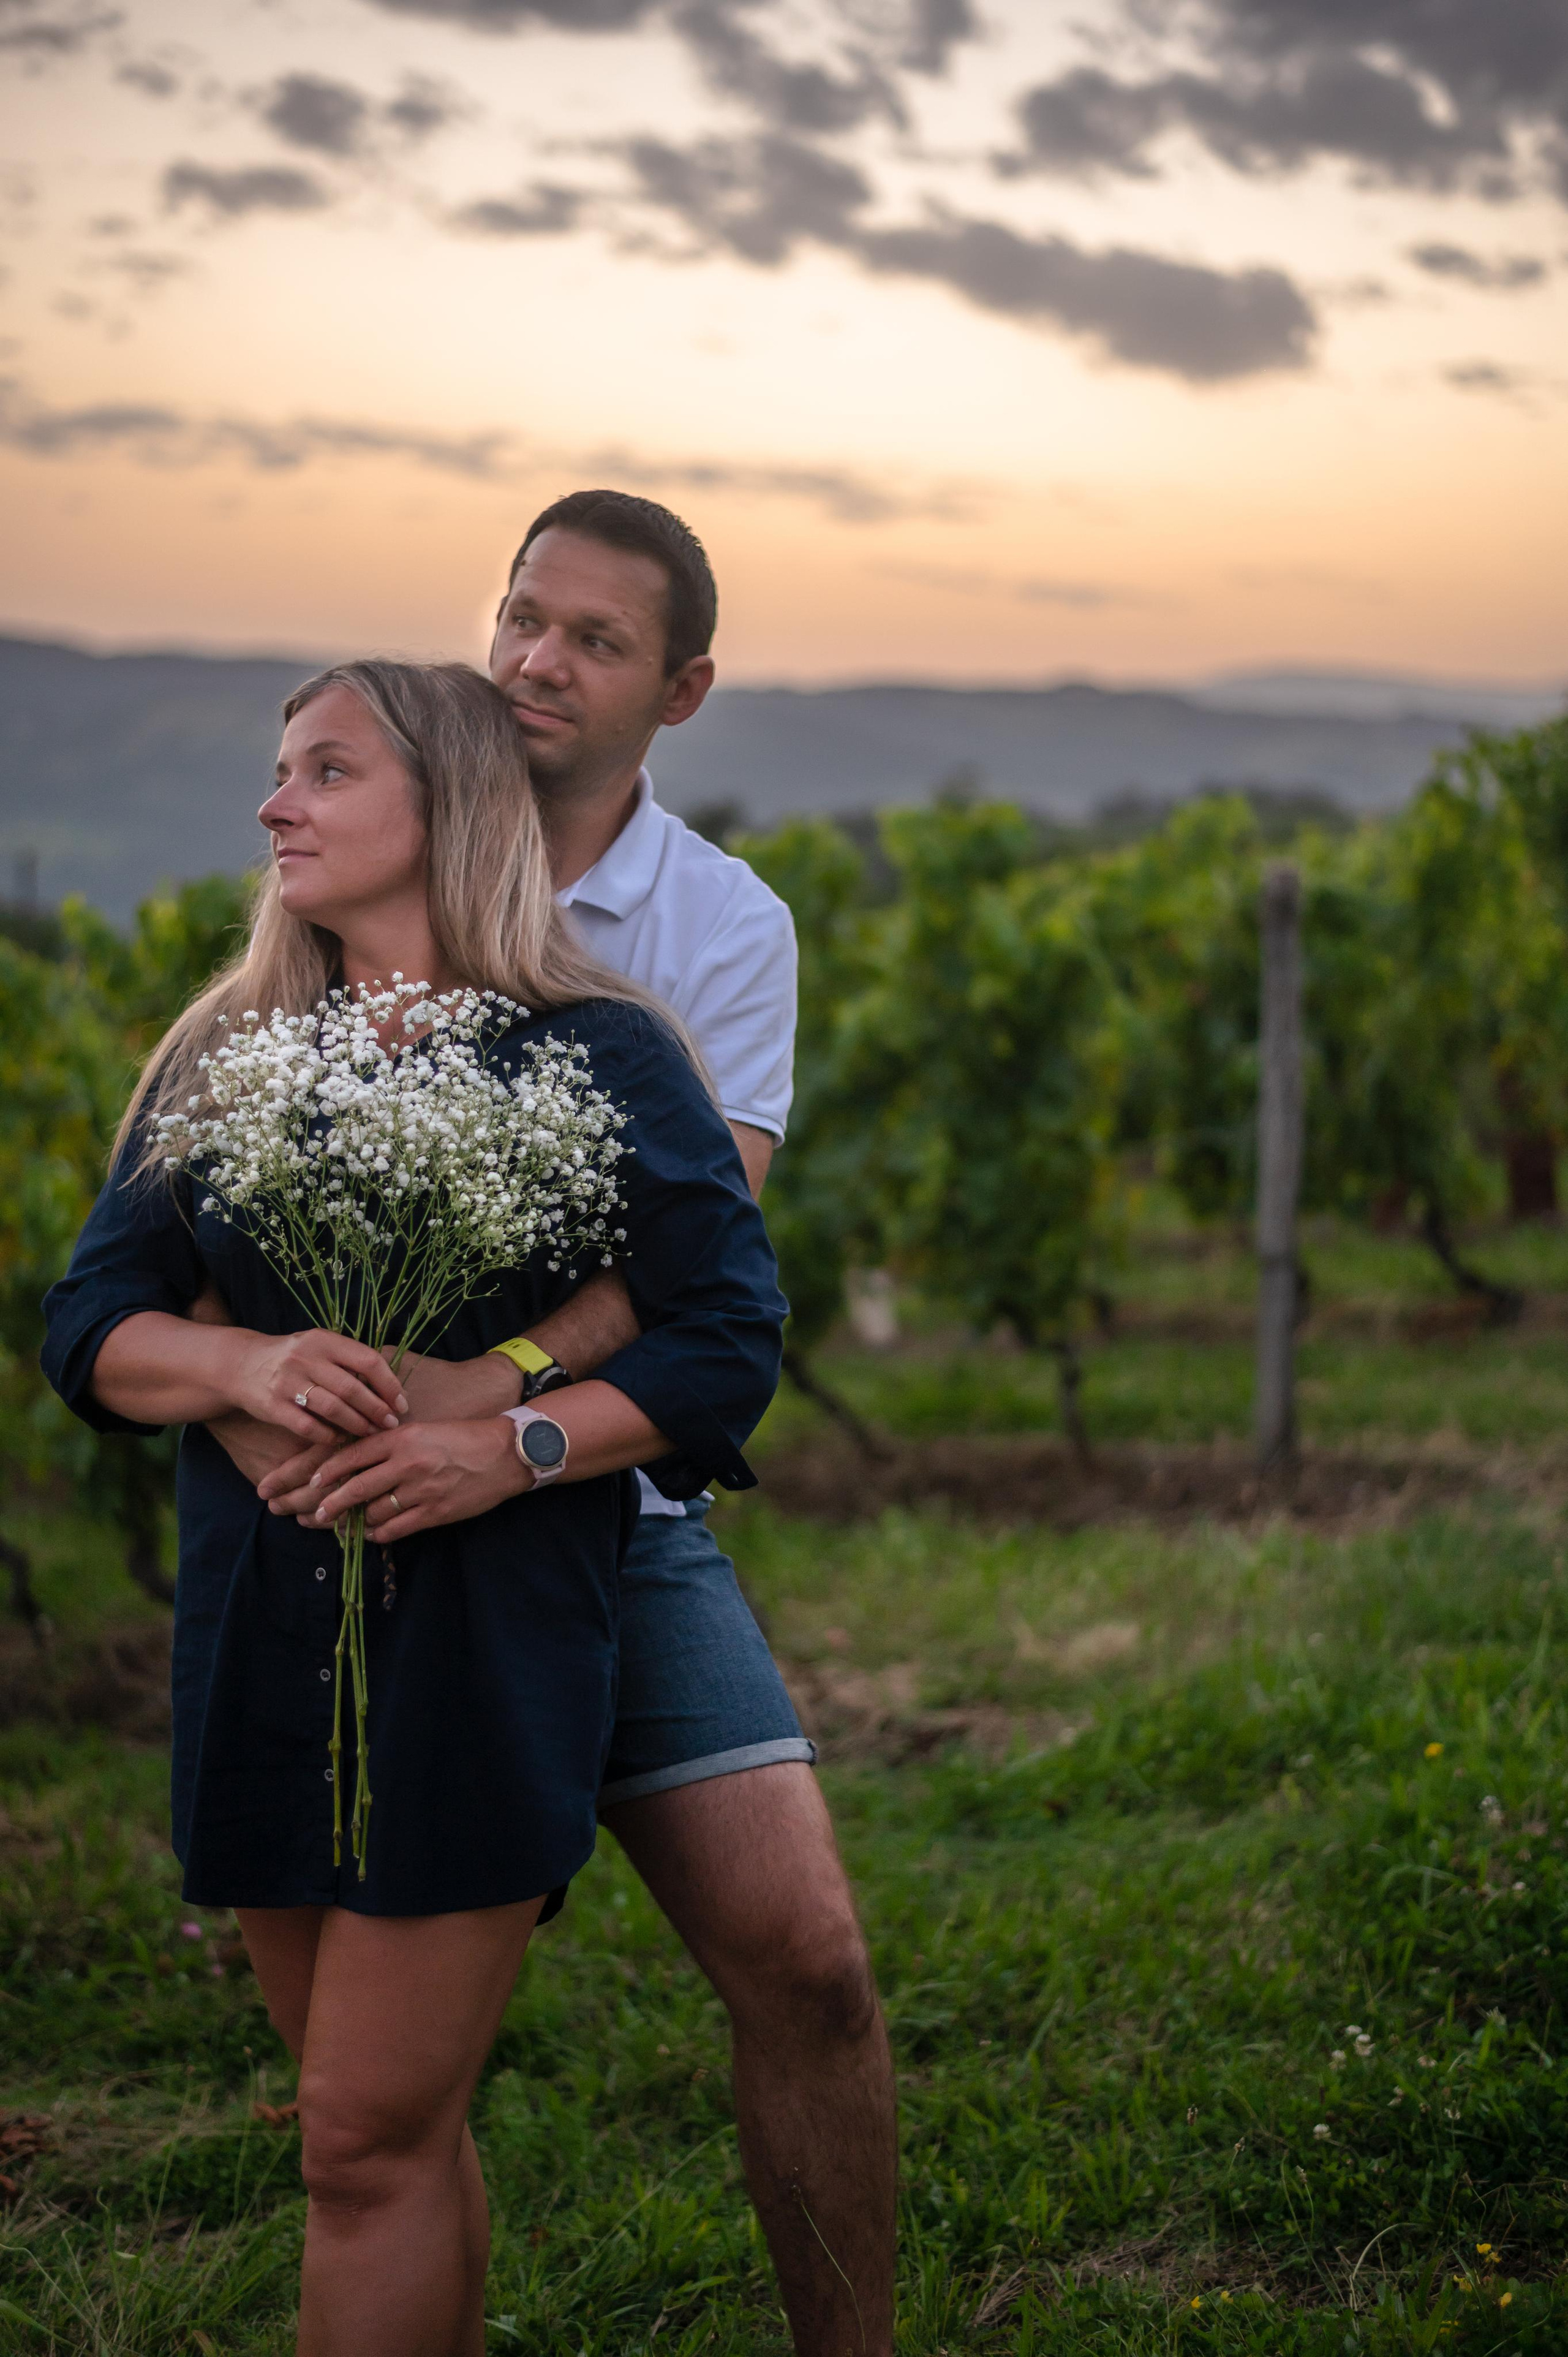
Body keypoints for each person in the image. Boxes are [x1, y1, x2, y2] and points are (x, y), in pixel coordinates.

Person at [217, 492, 899, 2357]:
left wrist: (502, 1391)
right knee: (376, 2105)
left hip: (606, 1495)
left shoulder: (718, 928)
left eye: (594, 641)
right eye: (523, 616)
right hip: (375, 1527)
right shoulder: (376, 837)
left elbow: (708, 1256)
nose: (535, 659)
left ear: (678, 692)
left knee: (812, 1965)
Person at [41, 657, 786, 2357]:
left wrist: (506, 1444)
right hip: (257, 1643)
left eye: (323, 770)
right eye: (277, 769)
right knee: (383, 2131)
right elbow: (91, 1325)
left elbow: (724, 1338)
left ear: (444, 806)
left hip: (477, 1651)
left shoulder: (599, 1055)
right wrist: (243, 1375)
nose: (272, 804)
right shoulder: (225, 1054)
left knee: (359, 2139)